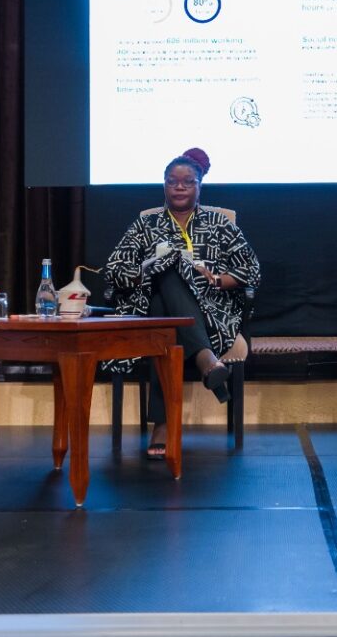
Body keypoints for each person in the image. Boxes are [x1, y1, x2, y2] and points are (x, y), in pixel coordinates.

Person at [102, 148, 261, 460]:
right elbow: (113, 269)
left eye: (188, 182)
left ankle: (162, 424)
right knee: (166, 271)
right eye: (172, 181)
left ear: (199, 185)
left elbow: (251, 269)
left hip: (210, 311)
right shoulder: (145, 224)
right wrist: (144, 272)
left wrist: (216, 279)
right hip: (148, 308)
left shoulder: (219, 222)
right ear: (163, 184)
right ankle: (207, 362)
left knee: (167, 318)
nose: (179, 187)